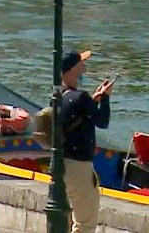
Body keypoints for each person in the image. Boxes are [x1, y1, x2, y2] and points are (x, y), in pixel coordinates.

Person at [60, 50, 112, 233]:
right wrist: (105, 98)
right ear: (73, 69)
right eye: (82, 64)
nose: (85, 68)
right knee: (85, 224)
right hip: (79, 166)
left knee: (72, 220)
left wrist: (93, 100)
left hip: (62, 164)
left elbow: (79, 115)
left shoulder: (59, 97)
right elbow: (103, 121)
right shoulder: (81, 97)